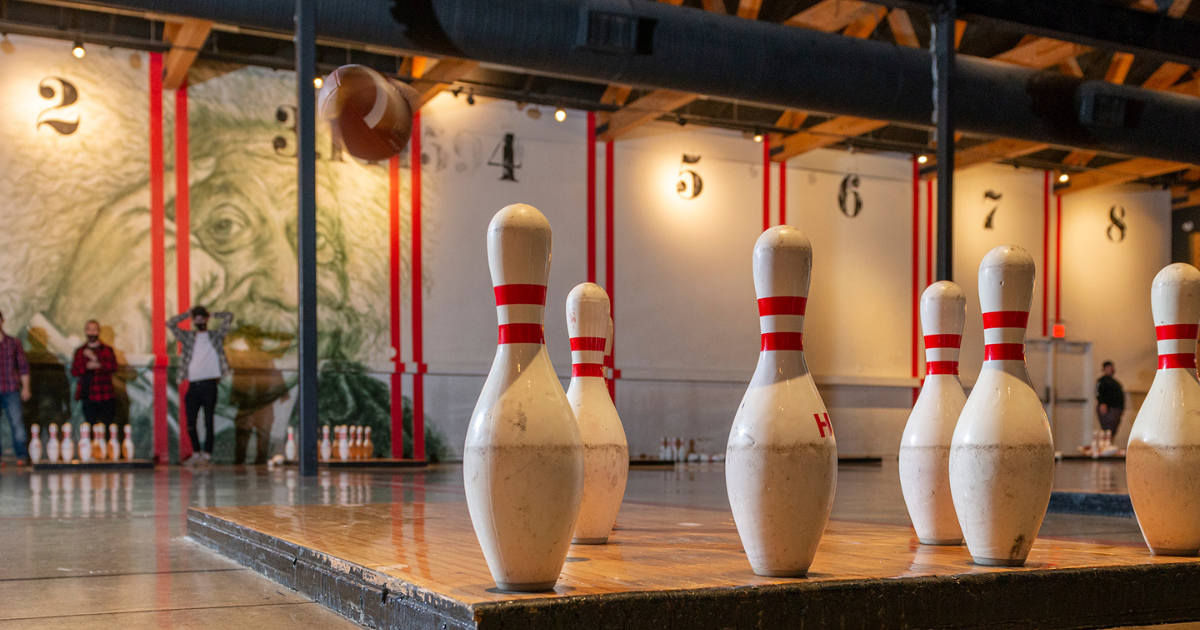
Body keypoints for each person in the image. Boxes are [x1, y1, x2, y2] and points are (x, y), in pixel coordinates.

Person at [168, 306, 234, 465]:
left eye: (201, 318)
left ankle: (207, 454)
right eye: (196, 318)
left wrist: (211, 314)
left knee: (208, 420)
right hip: (193, 384)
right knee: (190, 422)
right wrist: (187, 314)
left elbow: (228, 316)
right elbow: (170, 324)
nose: (199, 321)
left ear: (206, 318)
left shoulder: (215, 336)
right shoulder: (188, 337)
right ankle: (196, 452)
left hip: (209, 384)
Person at [70, 320, 119, 429]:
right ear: (85, 331)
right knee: (90, 427)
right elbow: (74, 371)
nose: (91, 333)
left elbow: (114, 367)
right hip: (88, 395)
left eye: (94, 330)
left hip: (105, 394)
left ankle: (107, 446)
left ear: (98, 331)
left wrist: (96, 361)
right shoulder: (80, 351)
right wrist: (86, 367)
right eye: (89, 329)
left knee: (108, 427)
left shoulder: (107, 350)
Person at [0, 310, 31, 465]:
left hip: (11, 388)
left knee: (17, 422)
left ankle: (21, 455)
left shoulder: (13, 342)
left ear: (2, 321)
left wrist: (26, 387)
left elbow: (23, 366)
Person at [1096, 361, 1125, 436]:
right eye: (1109, 368)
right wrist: (1102, 403)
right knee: (1108, 430)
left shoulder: (1114, 382)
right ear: (1105, 369)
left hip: (1116, 409)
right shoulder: (1102, 381)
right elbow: (1098, 392)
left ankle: (1109, 444)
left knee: (1112, 431)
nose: (1112, 370)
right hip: (1109, 409)